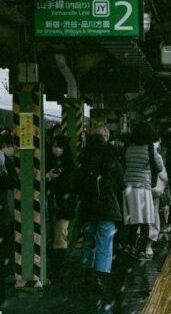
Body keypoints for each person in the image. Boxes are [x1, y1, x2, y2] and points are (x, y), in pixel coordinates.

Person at [75, 131, 124, 289]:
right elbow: (121, 184)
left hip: (88, 209)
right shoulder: (112, 161)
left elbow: (76, 186)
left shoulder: (84, 162)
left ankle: (87, 273)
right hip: (107, 209)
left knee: (89, 241)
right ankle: (100, 276)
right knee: (104, 243)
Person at [122, 121, 164, 258]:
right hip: (143, 187)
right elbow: (159, 167)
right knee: (145, 220)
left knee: (132, 219)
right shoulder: (150, 149)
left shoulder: (128, 147)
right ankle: (141, 249)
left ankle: (129, 245)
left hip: (128, 186)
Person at [45, 134, 77, 282]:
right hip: (49, 205)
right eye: (55, 146)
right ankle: (55, 269)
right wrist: (47, 177)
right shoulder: (46, 162)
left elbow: (72, 186)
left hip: (63, 207)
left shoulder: (70, 166)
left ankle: (59, 270)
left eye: (60, 147)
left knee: (60, 236)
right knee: (49, 237)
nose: (56, 149)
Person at [0, 130, 17, 287]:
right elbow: (13, 181)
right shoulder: (6, 161)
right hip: (4, 208)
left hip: (4, 209)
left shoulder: (5, 160)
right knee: (6, 243)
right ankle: (7, 273)